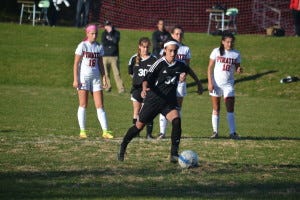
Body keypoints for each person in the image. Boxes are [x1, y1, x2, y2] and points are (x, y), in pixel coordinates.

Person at [118, 40, 190, 163]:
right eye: (170, 51)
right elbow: (146, 78)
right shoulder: (159, 63)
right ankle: (123, 145)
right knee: (138, 126)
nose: (173, 53)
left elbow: (188, 70)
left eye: (175, 51)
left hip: (168, 102)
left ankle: (174, 154)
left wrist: (194, 81)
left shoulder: (180, 64)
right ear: (165, 51)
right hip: (153, 100)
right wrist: (145, 88)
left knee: (177, 121)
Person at [157, 26, 203, 139]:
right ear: (172, 35)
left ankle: (175, 132)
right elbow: (160, 66)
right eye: (177, 34)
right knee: (164, 105)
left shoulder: (185, 49)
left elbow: (187, 67)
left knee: (177, 107)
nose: (179, 36)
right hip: (167, 82)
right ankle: (162, 132)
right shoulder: (165, 48)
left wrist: (195, 81)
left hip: (180, 83)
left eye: (181, 34)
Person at [73, 24, 114, 139]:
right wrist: (76, 79)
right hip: (84, 78)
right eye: (92, 33)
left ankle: (105, 131)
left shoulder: (98, 47)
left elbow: (100, 63)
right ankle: (82, 131)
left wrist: (104, 77)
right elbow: (76, 63)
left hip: (96, 79)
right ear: (87, 34)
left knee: (100, 105)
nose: (94, 35)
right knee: (83, 104)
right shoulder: (82, 46)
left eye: (96, 33)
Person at [207, 32, 242, 140]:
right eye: (227, 42)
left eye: (231, 42)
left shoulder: (236, 54)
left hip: (228, 85)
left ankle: (232, 132)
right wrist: (210, 82)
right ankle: (215, 132)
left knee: (230, 108)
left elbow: (237, 67)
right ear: (223, 42)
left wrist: (239, 69)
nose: (229, 44)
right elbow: (209, 68)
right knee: (216, 108)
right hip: (216, 84)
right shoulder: (216, 51)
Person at [128, 37, 157, 139]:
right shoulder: (133, 58)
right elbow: (131, 73)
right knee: (136, 110)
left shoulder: (154, 59)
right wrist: (138, 81)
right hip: (136, 89)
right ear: (139, 46)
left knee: (148, 111)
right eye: (143, 47)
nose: (145, 49)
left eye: (147, 47)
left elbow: (156, 74)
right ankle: (136, 133)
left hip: (149, 89)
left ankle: (149, 134)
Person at [101, 20, 125, 93]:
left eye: (108, 25)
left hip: (114, 56)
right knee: (106, 73)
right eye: (106, 25)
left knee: (117, 73)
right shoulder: (103, 33)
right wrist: (110, 41)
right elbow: (104, 43)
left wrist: (110, 33)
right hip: (105, 56)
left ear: (111, 25)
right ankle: (107, 87)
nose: (107, 27)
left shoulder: (116, 33)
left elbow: (115, 41)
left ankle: (121, 89)